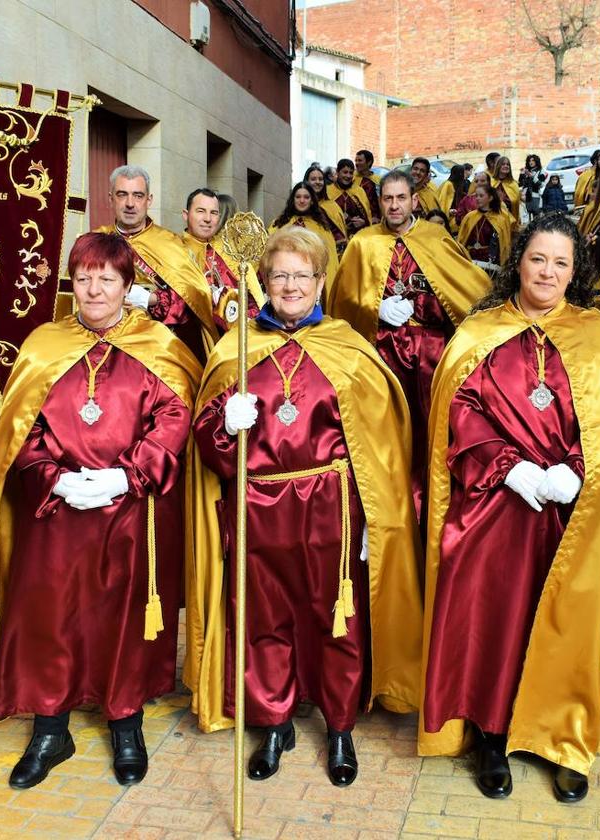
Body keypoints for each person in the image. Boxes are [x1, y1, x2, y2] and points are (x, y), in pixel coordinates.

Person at [0, 233, 201, 790]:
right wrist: (58, 479)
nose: (95, 289)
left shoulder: (160, 344)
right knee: (50, 617)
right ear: (72, 283)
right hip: (55, 513)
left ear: (128, 287)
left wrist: (127, 475)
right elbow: (19, 431)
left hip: (130, 514)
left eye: (107, 278)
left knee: (123, 618)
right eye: (84, 278)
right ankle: (51, 727)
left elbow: (175, 418)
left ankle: (125, 722)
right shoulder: (44, 344)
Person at [185, 227, 423, 788]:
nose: (290, 285)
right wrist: (223, 423)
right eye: (280, 275)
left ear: (321, 282)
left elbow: (381, 442)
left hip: (331, 506)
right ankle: (275, 719)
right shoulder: (236, 347)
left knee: (334, 616)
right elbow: (207, 445)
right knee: (265, 617)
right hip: (257, 502)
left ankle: (339, 726)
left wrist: (374, 516)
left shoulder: (347, 346)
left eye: (302, 275)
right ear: (263, 282)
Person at [419, 213, 600, 803]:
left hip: (574, 512)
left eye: (561, 262)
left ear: (577, 271)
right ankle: (492, 736)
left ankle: (561, 739)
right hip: (496, 507)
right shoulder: (480, 332)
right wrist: (508, 468)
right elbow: (459, 410)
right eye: (538, 258)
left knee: (568, 620)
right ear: (518, 260)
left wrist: (572, 467)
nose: (548, 271)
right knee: (496, 621)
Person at [327, 169, 490, 532]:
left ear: (414, 200)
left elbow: (467, 289)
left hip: (432, 353)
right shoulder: (363, 243)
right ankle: (388, 508)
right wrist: (373, 308)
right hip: (383, 354)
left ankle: (436, 508)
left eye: (401, 198)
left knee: (436, 433)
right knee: (388, 432)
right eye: (388, 199)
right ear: (379, 202)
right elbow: (340, 302)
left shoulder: (435, 237)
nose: (395, 205)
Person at [96, 165, 214, 362]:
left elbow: (195, 297)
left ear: (149, 200)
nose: (130, 203)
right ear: (111, 199)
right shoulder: (95, 241)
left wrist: (150, 299)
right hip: (106, 347)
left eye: (138, 195)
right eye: (122, 195)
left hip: (159, 350)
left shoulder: (171, 243)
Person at [180, 187, 266, 335]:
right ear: (185, 215)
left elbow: (255, 300)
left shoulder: (231, 249)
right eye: (201, 211)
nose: (207, 218)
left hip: (234, 338)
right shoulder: (175, 249)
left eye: (213, 213)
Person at [268, 182, 340, 282]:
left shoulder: (321, 227)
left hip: (310, 279)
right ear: (292, 200)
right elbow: (267, 250)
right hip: (283, 277)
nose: (302, 200)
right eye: (298, 197)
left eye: (306, 197)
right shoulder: (279, 223)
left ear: (312, 201)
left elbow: (330, 261)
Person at [456, 183, 513, 274]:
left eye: (481, 196)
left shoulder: (501, 218)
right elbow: (462, 240)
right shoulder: (469, 217)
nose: (477, 198)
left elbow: (504, 243)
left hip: (490, 263)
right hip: (471, 260)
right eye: (476, 196)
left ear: (490, 198)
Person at [306, 164, 350, 254]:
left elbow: (339, 234)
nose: (317, 182)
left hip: (330, 255)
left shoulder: (332, 206)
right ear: (307, 181)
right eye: (313, 179)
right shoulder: (301, 206)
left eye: (320, 179)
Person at [325, 158, 374, 236]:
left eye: (351, 173)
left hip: (356, 238)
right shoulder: (327, 191)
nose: (348, 176)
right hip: (334, 237)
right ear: (337, 172)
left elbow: (368, 216)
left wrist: (363, 222)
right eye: (345, 172)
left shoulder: (359, 191)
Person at [436, 164, 468, 233]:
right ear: (459, 174)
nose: (465, 175)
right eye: (463, 173)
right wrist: (448, 212)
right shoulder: (448, 185)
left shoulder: (456, 185)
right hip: (449, 221)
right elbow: (443, 203)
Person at [490, 156, 522, 223]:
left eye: (508, 164)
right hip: (494, 218)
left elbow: (516, 203)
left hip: (510, 218)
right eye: (503, 164)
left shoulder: (513, 184)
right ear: (498, 166)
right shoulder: (491, 182)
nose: (506, 166)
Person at [354, 148, 382, 222]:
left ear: (369, 162)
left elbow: (380, 201)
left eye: (360, 160)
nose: (356, 163)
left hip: (373, 220)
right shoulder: (351, 178)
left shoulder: (378, 180)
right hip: (354, 218)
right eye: (356, 160)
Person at [519, 154, 547, 219]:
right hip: (526, 197)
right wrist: (522, 174)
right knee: (527, 218)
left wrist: (532, 177)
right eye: (529, 161)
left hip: (535, 197)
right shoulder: (527, 171)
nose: (531, 162)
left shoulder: (541, 171)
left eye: (533, 160)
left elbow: (541, 184)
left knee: (536, 217)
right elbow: (520, 184)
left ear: (536, 161)